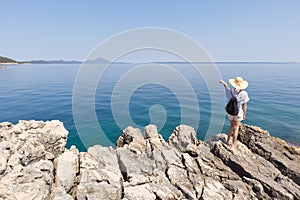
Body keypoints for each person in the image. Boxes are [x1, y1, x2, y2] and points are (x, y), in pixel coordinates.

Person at [220, 76, 250, 149]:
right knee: (236, 128)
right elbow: (244, 105)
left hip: (230, 112)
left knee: (231, 126)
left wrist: (223, 83)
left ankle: (227, 141)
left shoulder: (231, 91)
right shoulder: (244, 93)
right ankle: (233, 145)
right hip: (238, 113)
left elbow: (226, 87)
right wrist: (244, 114)